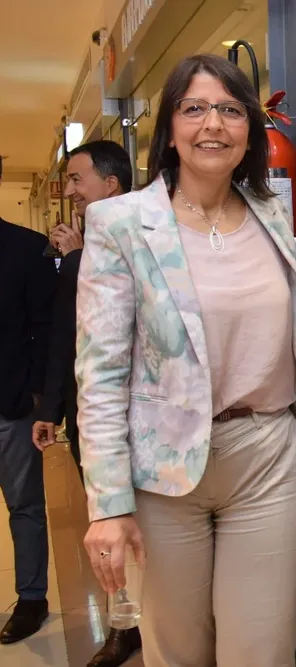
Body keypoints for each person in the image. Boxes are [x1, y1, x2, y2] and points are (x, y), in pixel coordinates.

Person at [75, 53, 296, 667]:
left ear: (250, 128)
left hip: (267, 459)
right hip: (164, 473)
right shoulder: (120, 223)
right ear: (170, 127)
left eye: (228, 110)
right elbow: (101, 374)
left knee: (264, 649)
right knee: (179, 651)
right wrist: (107, 505)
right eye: (194, 109)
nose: (212, 125)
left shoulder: (272, 215)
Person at [31, 140, 140, 667]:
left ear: (111, 184)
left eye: (77, 180)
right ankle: (125, 620)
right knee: (108, 520)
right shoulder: (81, 248)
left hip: (140, 415)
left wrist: (76, 259)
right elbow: (64, 336)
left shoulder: (137, 239)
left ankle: (138, 621)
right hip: (91, 413)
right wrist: (51, 408)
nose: (69, 192)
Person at [0, 156, 58, 644]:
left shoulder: (26, 249)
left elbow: (44, 330)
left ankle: (32, 599)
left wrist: (41, 402)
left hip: (11, 405)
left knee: (25, 506)